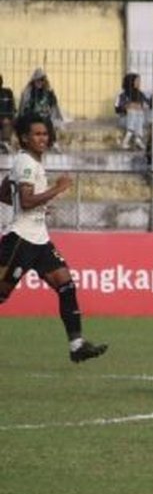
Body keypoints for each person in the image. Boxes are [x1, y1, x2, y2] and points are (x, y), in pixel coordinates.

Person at [0, 115, 107, 363]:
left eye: (45, 134)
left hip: (39, 239)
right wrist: (57, 189)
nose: (42, 138)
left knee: (66, 285)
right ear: (24, 137)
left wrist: (39, 207)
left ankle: (77, 345)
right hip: (21, 240)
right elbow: (25, 201)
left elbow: (6, 194)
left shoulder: (29, 163)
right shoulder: (26, 162)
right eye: (37, 134)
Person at [19, 68, 63, 149]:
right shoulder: (28, 92)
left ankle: (52, 143)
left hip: (44, 116)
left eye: (42, 80)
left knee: (49, 121)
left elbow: (54, 108)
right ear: (34, 81)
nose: (39, 82)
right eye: (38, 80)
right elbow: (23, 109)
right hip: (31, 116)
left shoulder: (48, 92)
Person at [114, 72, 150, 150]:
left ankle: (129, 137)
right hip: (124, 119)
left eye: (139, 81)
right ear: (131, 82)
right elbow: (117, 109)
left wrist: (141, 106)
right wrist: (127, 107)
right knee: (132, 111)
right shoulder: (122, 94)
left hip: (138, 119)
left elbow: (147, 104)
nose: (139, 83)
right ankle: (137, 138)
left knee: (138, 112)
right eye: (137, 81)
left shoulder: (140, 94)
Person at [0, 75, 16, 151]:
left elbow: (12, 107)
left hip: (5, 118)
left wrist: (8, 117)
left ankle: (5, 144)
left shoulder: (7, 92)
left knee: (7, 123)